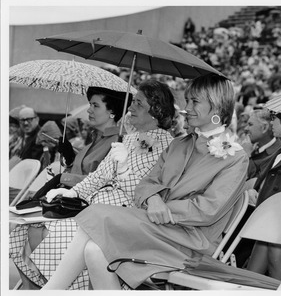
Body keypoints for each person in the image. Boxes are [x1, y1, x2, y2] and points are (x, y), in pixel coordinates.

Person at [41, 73, 249, 290]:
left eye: (194, 101)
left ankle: (50, 290)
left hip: (192, 242)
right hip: (155, 226)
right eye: (187, 100)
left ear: (217, 107)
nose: (186, 107)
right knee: (94, 251)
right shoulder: (179, 144)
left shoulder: (235, 158)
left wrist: (161, 207)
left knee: (96, 213)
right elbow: (146, 183)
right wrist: (153, 200)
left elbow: (208, 210)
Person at [9, 79, 175, 290]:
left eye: (138, 103)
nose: (131, 107)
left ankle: (53, 288)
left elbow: (144, 193)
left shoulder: (167, 145)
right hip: (96, 209)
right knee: (34, 227)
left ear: (156, 110)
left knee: (53, 231)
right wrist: (71, 193)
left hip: (124, 216)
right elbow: (98, 177)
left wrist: (123, 168)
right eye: (132, 102)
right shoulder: (130, 139)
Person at [246, 101, 281, 280]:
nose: (271, 123)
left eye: (274, 118)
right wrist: (254, 189)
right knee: (252, 275)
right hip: (269, 221)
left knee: (275, 257)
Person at [243, 109, 281, 179]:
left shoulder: (278, 155)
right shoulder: (256, 147)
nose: (246, 128)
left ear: (264, 128)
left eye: (250, 124)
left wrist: (246, 155)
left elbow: (252, 180)